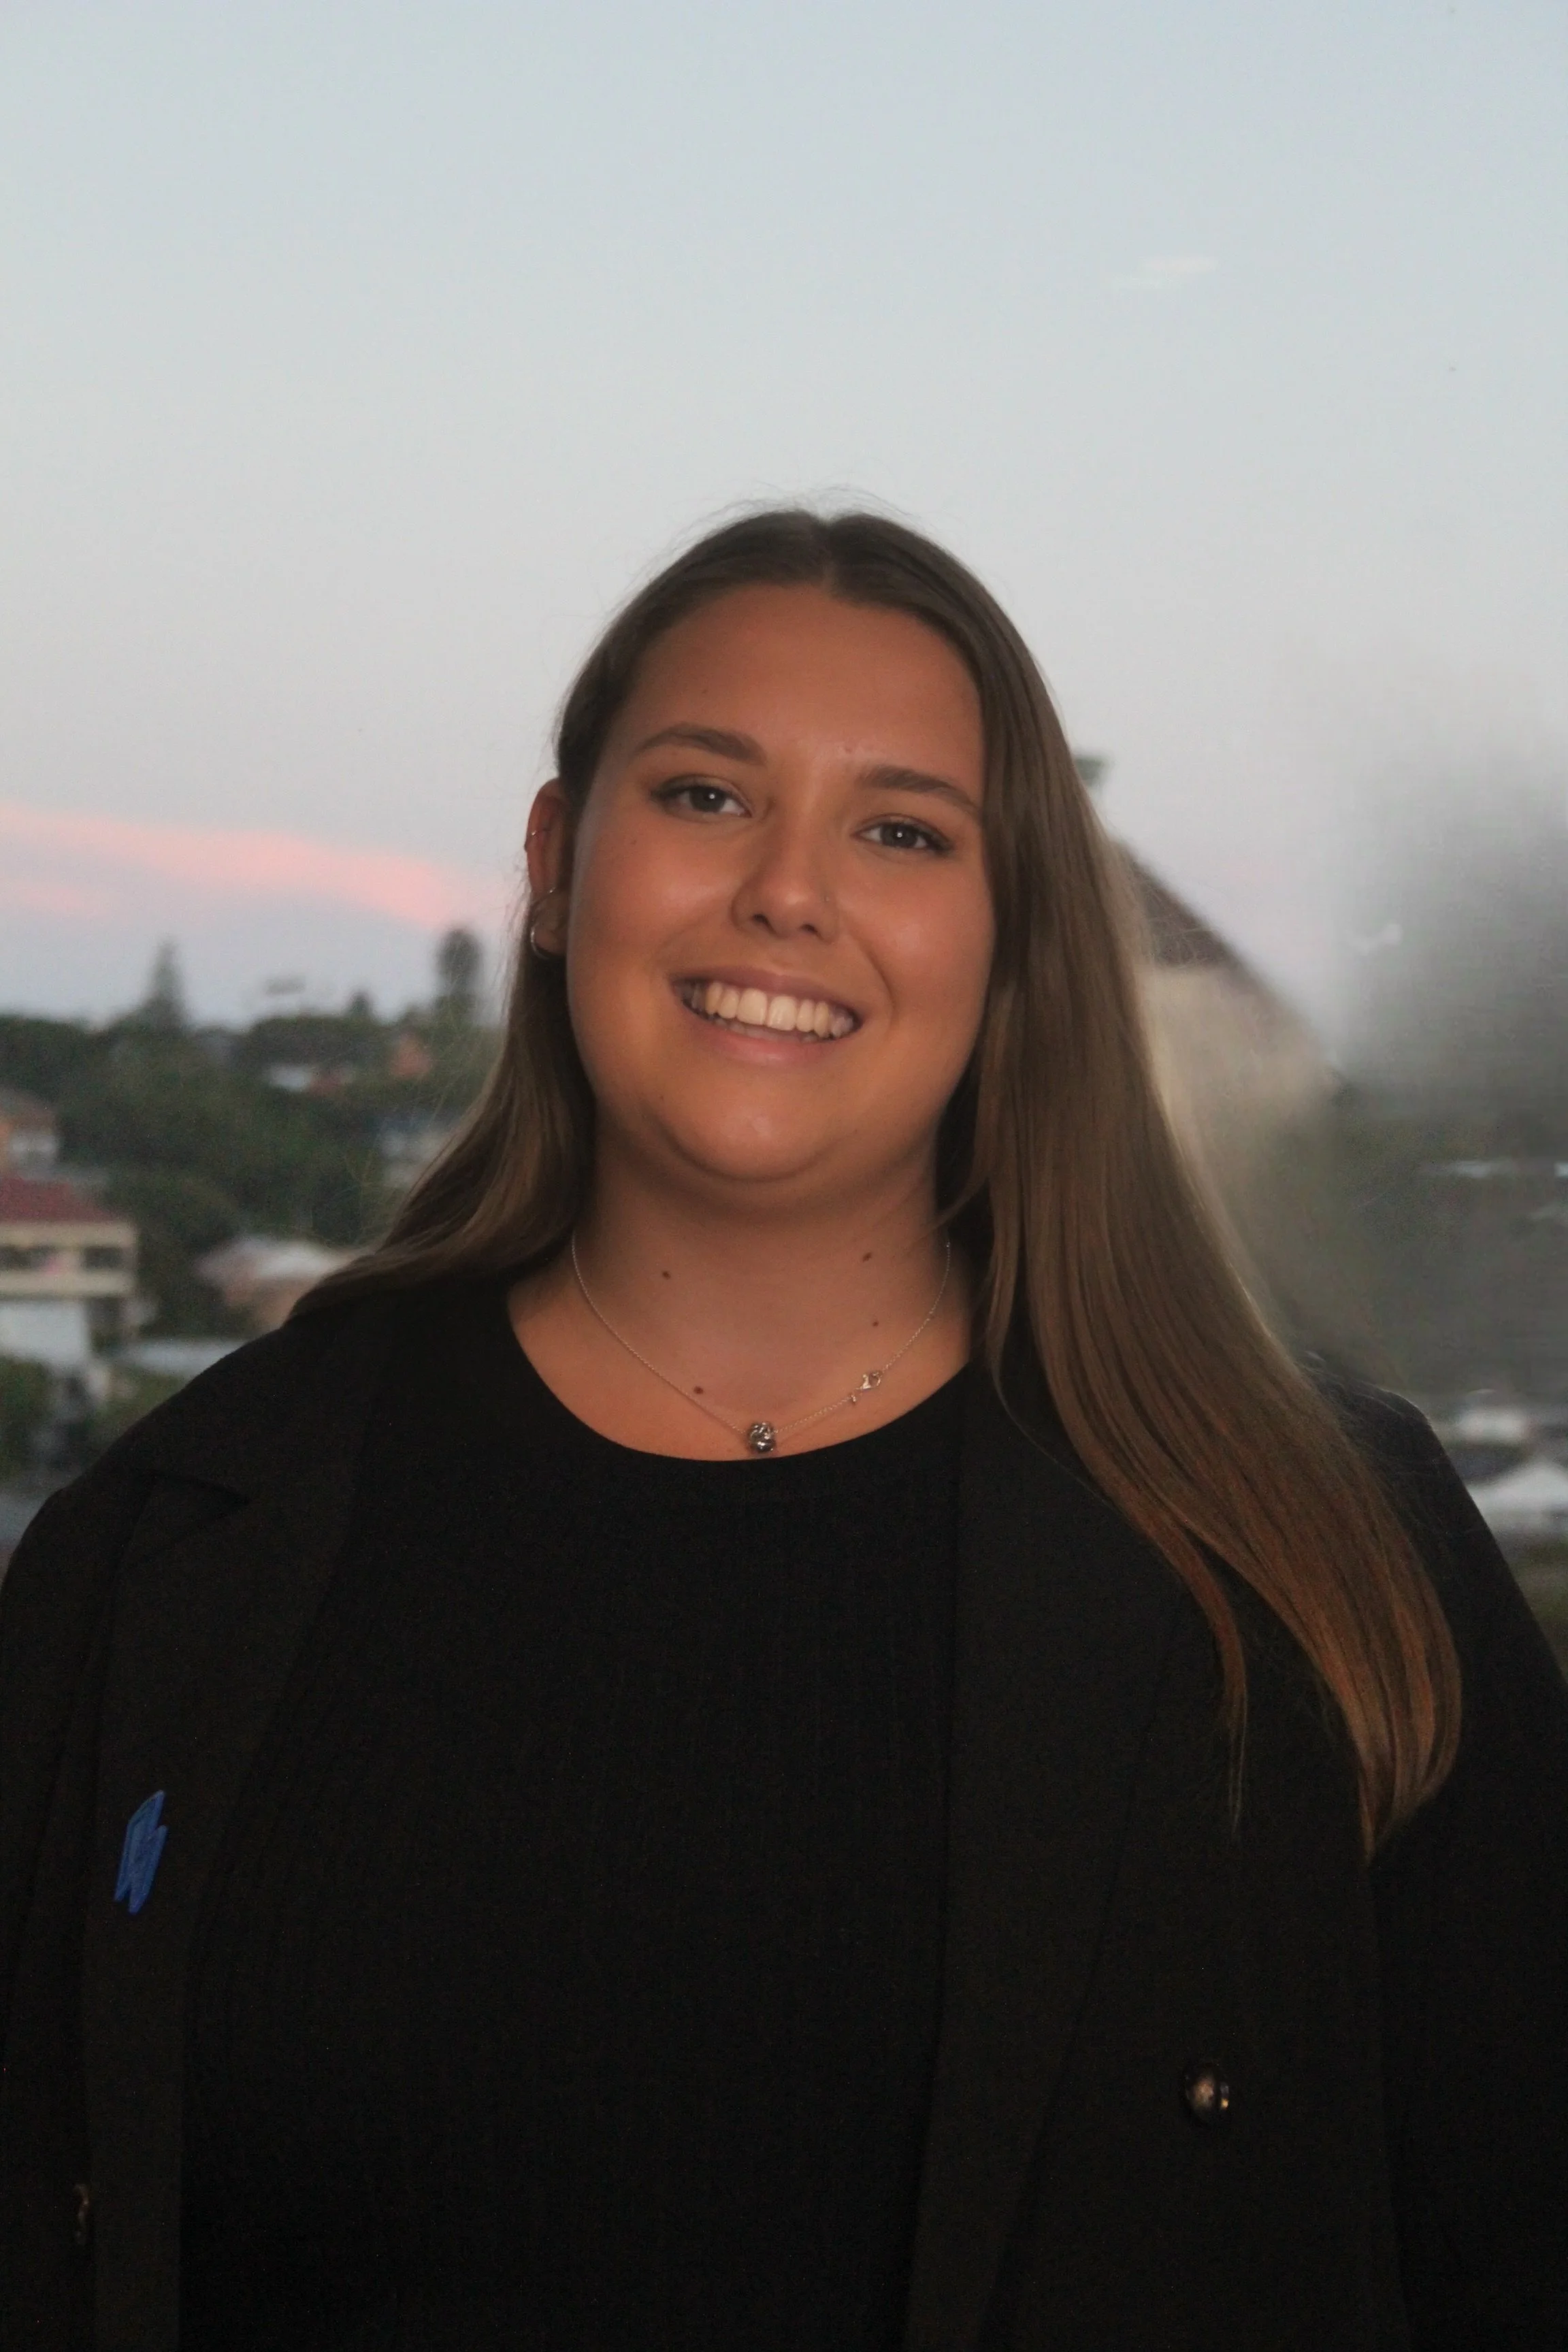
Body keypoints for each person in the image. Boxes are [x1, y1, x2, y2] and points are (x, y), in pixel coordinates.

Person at [2, 509, 1564, 2352]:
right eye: (706, 796)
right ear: (555, 859)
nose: (788, 895)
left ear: (1016, 939)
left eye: (901, 831)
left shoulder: (1328, 1562)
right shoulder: (177, 1546)